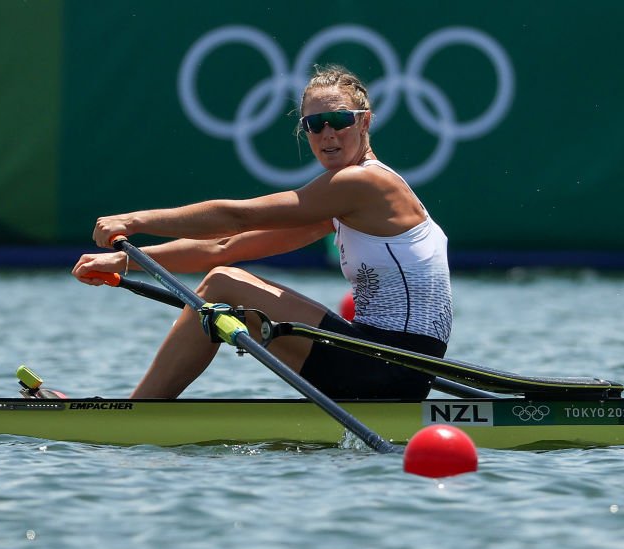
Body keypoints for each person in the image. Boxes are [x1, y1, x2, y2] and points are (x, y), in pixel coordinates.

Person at [72, 65, 452, 400]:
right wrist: (123, 261)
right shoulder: (346, 205)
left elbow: (237, 218)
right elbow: (223, 246)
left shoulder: (364, 184)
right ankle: (140, 407)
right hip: (390, 363)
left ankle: (139, 410)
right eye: (313, 125)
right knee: (222, 275)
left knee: (222, 283)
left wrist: (136, 221)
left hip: (390, 365)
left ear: (364, 122)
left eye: (339, 120)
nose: (327, 134)